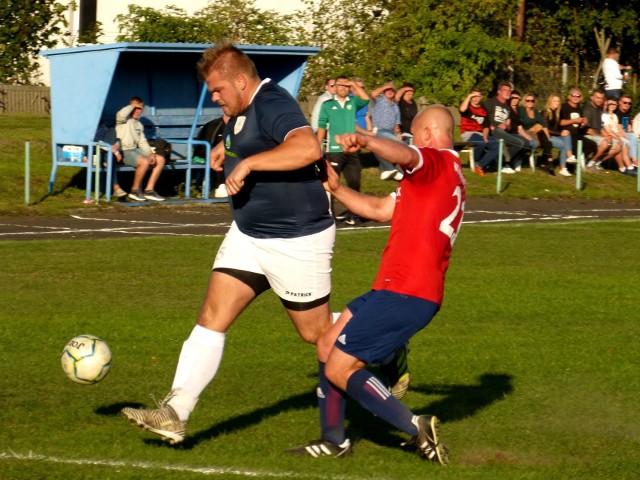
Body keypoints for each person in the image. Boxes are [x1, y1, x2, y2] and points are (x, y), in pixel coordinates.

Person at [121, 42, 336, 445]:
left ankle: (382, 344)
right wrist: (230, 149)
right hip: (249, 234)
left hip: (295, 237)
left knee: (316, 332)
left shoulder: (272, 101)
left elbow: (307, 147)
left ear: (241, 80)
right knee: (212, 316)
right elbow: (254, 141)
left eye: (218, 90)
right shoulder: (241, 110)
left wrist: (250, 163)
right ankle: (175, 412)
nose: (215, 97)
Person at [287, 105, 464, 463]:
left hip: (408, 291)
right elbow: (382, 210)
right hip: (395, 287)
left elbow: (404, 153)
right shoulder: (440, 176)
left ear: (428, 134)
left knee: (340, 367)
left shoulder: (437, 161)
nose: (413, 144)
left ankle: (416, 426)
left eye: (415, 137)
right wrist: (337, 190)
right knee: (327, 344)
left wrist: (367, 138)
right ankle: (333, 439)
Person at [317, 76, 370, 224]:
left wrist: (353, 84)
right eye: (341, 85)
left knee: (354, 182)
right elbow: (322, 126)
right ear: (335, 87)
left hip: (352, 150)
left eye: (346, 86)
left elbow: (366, 99)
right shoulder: (327, 105)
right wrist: (317, 146)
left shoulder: (353, 102)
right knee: (333, 184)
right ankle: (329, 215)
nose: (343, 88)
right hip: (334, 150)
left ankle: (352, 214)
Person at [115, 97, 166, 202]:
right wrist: (132, 105)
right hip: (123, 151)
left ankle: (149, 190)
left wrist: (150, 153)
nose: (137, 111)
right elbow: (121, 114)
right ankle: (135, 190)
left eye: (139, 109)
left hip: (135, 150)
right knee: (144, 161)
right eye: (135, 108)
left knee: (160, 159)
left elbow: (142, 142)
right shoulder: (123, 120)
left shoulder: (139, 124)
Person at [484, 82, 528, 173]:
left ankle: (501, 162)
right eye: (505, 90)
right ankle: (503, 163)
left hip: (503, 132)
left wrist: (507, 125)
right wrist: (493, 126)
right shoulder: (491, 102)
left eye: (509, 90)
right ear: (499, 92)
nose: (507, 92)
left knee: (524, 142)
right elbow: (483, 117)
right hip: (492, 131)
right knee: (518, 142)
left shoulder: (507, 107)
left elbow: (508, 124)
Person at [458, 87, 500, 175]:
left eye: (478, 96)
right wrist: (469, 96)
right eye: (474, 96)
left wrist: (485, 136)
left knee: (497, 144)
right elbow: (461, 110)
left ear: (481, 97)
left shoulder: (483, 109)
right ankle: (476, 161)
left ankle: (480, 165)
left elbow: (486, 126)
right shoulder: (467, 107)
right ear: (470, 97)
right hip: (468, 133)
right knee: (481, 143)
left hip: (480, 134)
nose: (476, 98)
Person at [369, 81, 404, 181]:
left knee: (401, 144)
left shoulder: (395, 107)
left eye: (392, 90)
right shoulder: (379, 100)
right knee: (397, 144)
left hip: (391, 132)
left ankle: (388, 170)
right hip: (380, 130)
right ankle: (390, 168)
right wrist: (387, 86)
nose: (390, 91)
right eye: (387, 90)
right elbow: (373, 94)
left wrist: (398, 133)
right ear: (384, 91)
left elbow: (396, 124)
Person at [559, 88, 600, 170]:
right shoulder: (564, 107)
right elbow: (561, 122)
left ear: (581, 98)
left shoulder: (579, 108)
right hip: (567, 134)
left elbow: (580, 126)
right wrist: (574, 120)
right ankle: (570, 165)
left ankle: (581, 158)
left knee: (593, 145)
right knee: (574, 144)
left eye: (578, 96)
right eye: (573, 95)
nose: (576, 97)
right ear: (569, 96)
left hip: (578, 134)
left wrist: (583, 123)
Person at [580, 88, 619, 170]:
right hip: (587, 136)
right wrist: (602, 137)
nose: (600, 100)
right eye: (597, 97)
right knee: (605, 143)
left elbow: (599, 128)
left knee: (618, 145)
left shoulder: (598, 109)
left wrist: (607, 135)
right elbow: (587, 130)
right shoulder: (588, 109)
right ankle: (590, 164)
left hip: (596, 136)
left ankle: (596, 162)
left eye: (601, 98)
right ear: (592, 97)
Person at [519, 93, 556, 173]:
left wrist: (548, 137)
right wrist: (531, 129)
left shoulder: (535, 111)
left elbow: (543, 123)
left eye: (532, 100)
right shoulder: (521, 110)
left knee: (543, 134)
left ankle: (548, 161)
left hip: (534, 133)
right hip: (523, 132)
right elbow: (519, 124)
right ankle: (548, 161)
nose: (530, 102)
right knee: (542, 134)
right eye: (528, 100)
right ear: (524, 101)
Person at [193, 116, 229, 198]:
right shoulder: (214, 125)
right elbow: (205, 147)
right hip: (205, 153)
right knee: (219, 154)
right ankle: (220, 185)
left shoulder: (239, 125)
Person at [602, 97, 637, 176]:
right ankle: (629, 166)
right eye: (610, 104)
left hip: (616, 134)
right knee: (624, 142)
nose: (627, 104)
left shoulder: (614, 116)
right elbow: (611, 129)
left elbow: (627, 128)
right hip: (609, 135)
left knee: (627, 140)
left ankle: (626, 167)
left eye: (614, 104)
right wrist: (619, 137)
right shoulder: (605, 115)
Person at [542, 94, 574, 176]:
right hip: (546, 136)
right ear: (550, 102)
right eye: (555, 101)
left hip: (555, 135)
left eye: (558, 101)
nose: (557, 103)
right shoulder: (545, 112)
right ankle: (563, 167)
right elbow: (546, 129)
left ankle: (569, 157)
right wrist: (560, 133)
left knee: (567, 134)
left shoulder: (557, 113)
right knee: (564, 145)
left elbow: (557, 128)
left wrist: (563, 132)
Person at [614, 94, 638, 167]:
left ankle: (636, 161)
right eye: (625, 102)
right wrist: (629, 136)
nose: (627, 105)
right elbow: (619, 129)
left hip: (625, 134)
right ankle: (634, 160)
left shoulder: (627, 114)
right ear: (619, 102)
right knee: (632, 138)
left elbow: (629, 128)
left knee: (635, 138)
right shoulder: (616, 113)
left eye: (629, 103)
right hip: (617, 135)